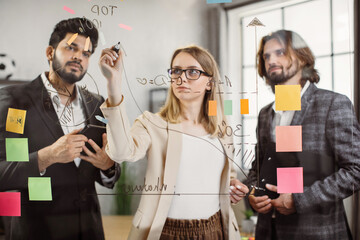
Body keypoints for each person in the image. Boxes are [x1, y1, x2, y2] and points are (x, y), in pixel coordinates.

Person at [99, 45, 249, 239]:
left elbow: (226, 177)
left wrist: (233, 186)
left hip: (216, 230)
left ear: (210, 83)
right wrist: (114, 84)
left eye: (193, 72)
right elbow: (120, 153)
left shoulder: (221, 128)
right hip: (166, 232)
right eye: (176, 71)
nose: (181, 78)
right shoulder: (152, 123)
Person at [0, 17, 121, 240]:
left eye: (86, 53)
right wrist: (48, 156)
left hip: (88, 230)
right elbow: (4, 172)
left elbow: (110, 170)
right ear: (50, 52)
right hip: (36, 232)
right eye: (71, 48)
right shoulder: (15, 101)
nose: (78, 57)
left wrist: (108, 165)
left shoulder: (96, 103)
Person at [245, 29, 360, 240]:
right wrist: (252, 193)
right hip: (267, 232)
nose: (271, 60)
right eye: (266, 56)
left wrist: (299, 200)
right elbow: (258, 168)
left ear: (301, 56)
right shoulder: (265, 114)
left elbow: (356, 170)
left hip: (316, 232)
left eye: (280, 52)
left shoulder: (332, 104)